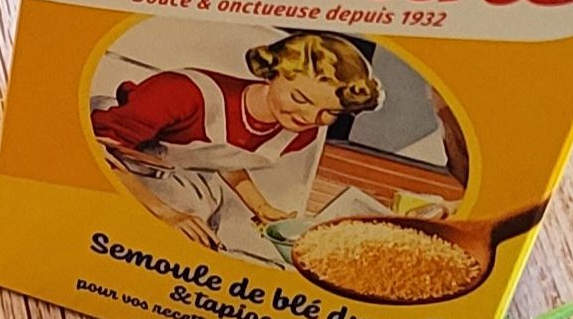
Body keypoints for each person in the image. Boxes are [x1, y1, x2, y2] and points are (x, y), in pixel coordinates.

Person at [93, 32, 382, 234]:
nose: (309, 117)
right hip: (116, 147)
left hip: (168, 166)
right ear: (271, 72)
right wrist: (164, 212)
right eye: (300, 99)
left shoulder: (300, 132)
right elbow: (100, 149)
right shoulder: (181, 92)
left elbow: (223, 159)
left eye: (329, 112)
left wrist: (261, 206)